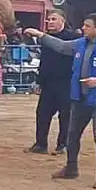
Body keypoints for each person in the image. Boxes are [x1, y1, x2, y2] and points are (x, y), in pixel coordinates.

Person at [24, 13, 96, 190]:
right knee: (72, 135)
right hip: (80, 98)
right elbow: (61, 46)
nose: (83, 28)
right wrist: (41, 35)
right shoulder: (80, 44)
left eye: (87, 26)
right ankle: (71, 168)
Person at [26, 10, 77, 154]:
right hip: (49, 83)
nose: (50, 22)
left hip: (66, 83)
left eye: (54, 19)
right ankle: (41, 144)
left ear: (63, 21)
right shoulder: (46, 39)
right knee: (42, 113)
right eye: (48, 20)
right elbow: (44, 62)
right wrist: (39, 82)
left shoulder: (72, 37)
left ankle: (63, 145)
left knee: (65, 115)